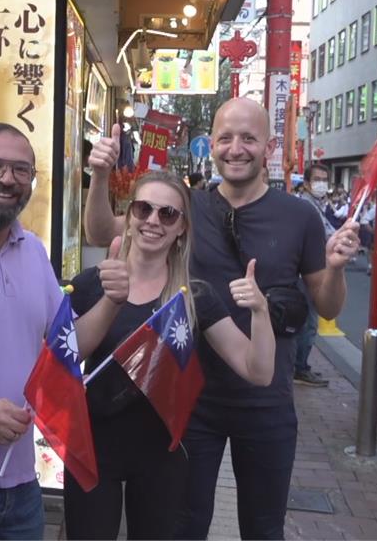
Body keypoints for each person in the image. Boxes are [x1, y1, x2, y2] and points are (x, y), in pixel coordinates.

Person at [85, 98, 361, 539]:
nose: (237, 149)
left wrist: (337, 267)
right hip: (190, 396)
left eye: (249, 138)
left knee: (264, 526)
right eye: (226, 138)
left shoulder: (300, 215)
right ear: (211, 145)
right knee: (184, 524)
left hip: (267, 397)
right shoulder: (185, 208)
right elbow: (101, 233)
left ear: (268, 146)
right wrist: (99, 175)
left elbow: (327, 307)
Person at [0, 122, 125, 540]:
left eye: (21, 170)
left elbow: (65, 349)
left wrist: (112, 300)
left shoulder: (34, 251)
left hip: (20, 486)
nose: (7, 179)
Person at [65, 170, 276, 539]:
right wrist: (110, 302)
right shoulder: (90, 283)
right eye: (144, 208)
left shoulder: (193, 297)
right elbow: (68, 356)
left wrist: (260, 312)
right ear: (129, 216)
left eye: (167, 214)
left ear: (182, 228)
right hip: (93, 448)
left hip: (162, 454)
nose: (152, 221)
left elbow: (258, 370)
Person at [292, 163, 338, 388]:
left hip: (311, 269)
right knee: (308, 322)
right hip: (305, 272)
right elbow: (325, 233)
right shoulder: (305, 206)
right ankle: (299, 367)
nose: (322, 183)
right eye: (317, 179)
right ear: (307, 183)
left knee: (308, 321)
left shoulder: (317, 205)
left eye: (325, 179)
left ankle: (299, 365)